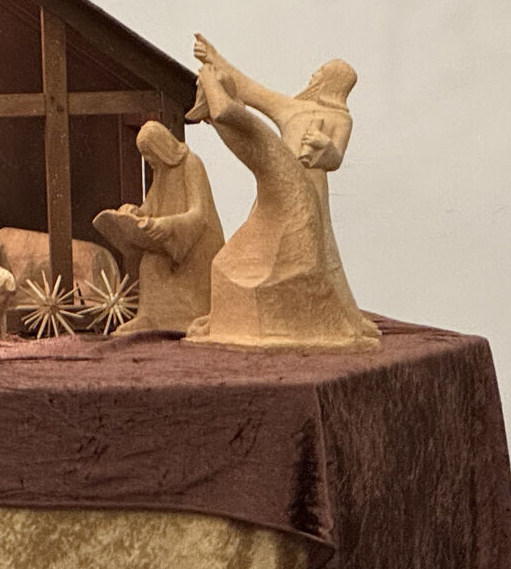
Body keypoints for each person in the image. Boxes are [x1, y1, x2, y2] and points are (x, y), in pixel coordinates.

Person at [189, 34, 378, 341]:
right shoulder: (292, 108)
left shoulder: (340, 118)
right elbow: (249, 89)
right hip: (276, 180)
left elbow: (335, 159)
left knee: (317, 250)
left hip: (310, 187)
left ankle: (338, 314)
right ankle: (246, 312)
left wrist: (324, 146)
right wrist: (214, 57)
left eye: (320, 72)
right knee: (259, 242)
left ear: (332, 82)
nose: (313, 75)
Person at [92, 121, 224, 333]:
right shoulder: (161, 170)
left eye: (150, 154)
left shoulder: (191, 164)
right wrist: (135, 212)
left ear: (162, 147)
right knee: (149, 263)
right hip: (172, 242)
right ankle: (148, 318)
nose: (148, 160)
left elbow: (199, 214)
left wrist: (169, 224)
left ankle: (189, 318)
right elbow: (151, 205)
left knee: (157, 263)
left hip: (196, 243)